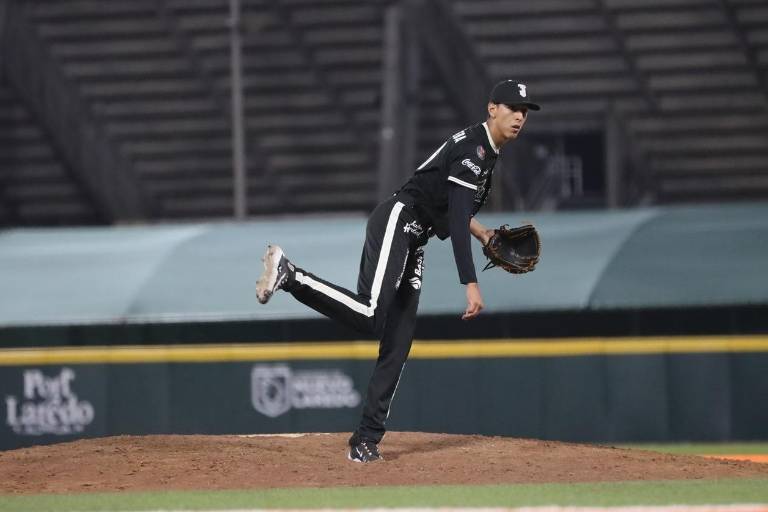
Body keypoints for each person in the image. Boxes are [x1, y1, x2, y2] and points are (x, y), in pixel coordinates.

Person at [256, 79, 540, 463]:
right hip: (399, 219)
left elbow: (451, 210)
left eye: (524, 111)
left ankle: (366, 440)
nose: (519, 116)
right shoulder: (473, 150)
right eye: (512, 108)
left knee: (398, 341)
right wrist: (470, 282)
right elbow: (457, 220)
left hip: (415, 238)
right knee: (370, 313)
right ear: (492, 109)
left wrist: (485, 234)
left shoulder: (487, 155)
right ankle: (290, 275)